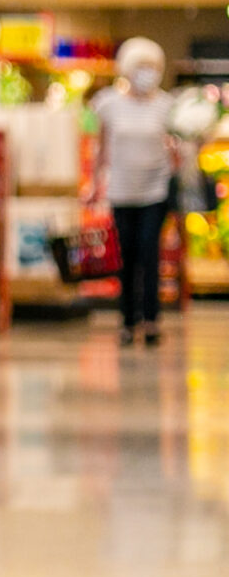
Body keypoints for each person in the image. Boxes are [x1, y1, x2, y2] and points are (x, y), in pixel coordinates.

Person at [92, 36, 181, 348]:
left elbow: (176, 148)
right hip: (121, 189)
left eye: (153, 67)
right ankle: (127, 321)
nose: (149, 73)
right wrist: (94, 185)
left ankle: (152, 319)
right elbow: (101, 148)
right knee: (126, 256)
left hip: (155, 190)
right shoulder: (109, 104)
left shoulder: (167, 106)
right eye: (142, 66)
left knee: (149, 252)